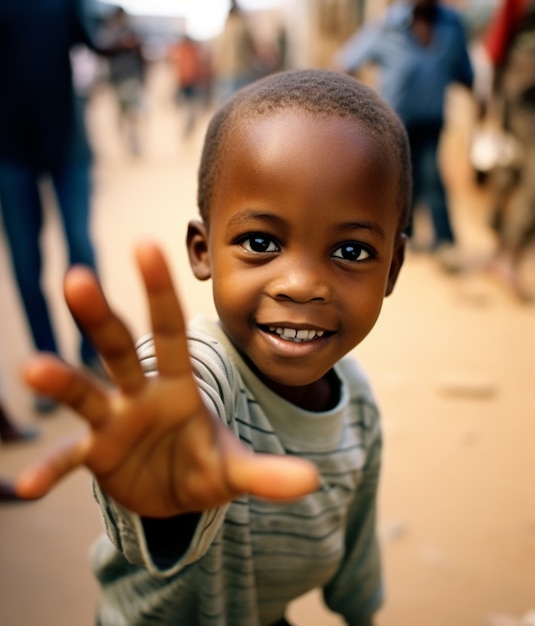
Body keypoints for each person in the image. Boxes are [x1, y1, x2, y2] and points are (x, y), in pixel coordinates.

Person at [13, 69, 410, 626]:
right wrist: (163, 475)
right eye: (260, 242)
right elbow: (179, 392)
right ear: (203, 250)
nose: (300, 283)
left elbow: (357, 541)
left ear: (392, 267)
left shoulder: (359, 406)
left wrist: (361, 612)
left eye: (350, 250)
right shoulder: (203, 369)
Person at [0, 0, 105, 413]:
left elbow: (91, 40)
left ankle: (92, 350)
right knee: (26, 263)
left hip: (67, 142)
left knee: (81, 247)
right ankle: (50, 367)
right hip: (9, 148)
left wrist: (120, 38)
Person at [333, 0, 474, 270]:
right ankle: (400, 240)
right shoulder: (389, 26)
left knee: (432, 177)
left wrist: (476, 93)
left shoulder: (452, 26)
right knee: (402, 182)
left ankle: (444, 242)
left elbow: (463, 69)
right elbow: (347, 59)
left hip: (432, 119)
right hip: (397, 124)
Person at [481, 0, 535, 301]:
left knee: (515, 170)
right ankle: (507, 255)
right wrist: (492, 104)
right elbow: (497, 45)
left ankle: (502, 247)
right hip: (523, 92)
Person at [96, 6, 146, 156]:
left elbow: (141, 56)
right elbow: (101, 51)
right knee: (121, 115)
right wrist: (122, 44)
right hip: (116, 79)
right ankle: (128, 141)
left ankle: (133, 141)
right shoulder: (108, 34)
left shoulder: (131, 33)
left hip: (130, 78)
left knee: (132, 112)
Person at [212, 0, 259, 105]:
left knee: (225, 107)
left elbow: (219, 52)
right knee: (244, 104)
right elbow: (252, 48)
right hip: (243, 69)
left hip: (225, 71)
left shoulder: (225, 27)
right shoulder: (244, 26)